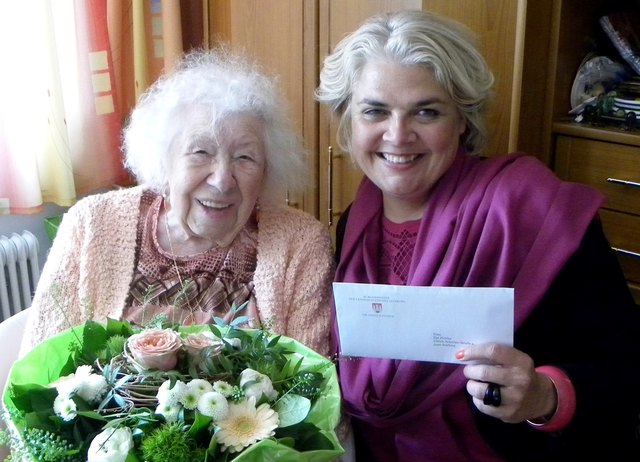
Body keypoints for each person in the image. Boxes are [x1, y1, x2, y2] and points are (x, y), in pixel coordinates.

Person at [316, 9, 640, 461]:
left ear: (463, 119)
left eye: (426, 111)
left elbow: (625, 368)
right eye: (375, 111)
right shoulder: (352, 225)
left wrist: (545, 396)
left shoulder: (529, 212)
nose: (398, 134)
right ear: (350, 121)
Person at [20, 48, 334, 359]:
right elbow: (38, 368)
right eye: (201, 152)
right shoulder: (92, 224)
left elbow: (311, 384)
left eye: (245, 157)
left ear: (267, 171)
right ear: (163, 159)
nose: (222, 180)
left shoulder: (300, 243)